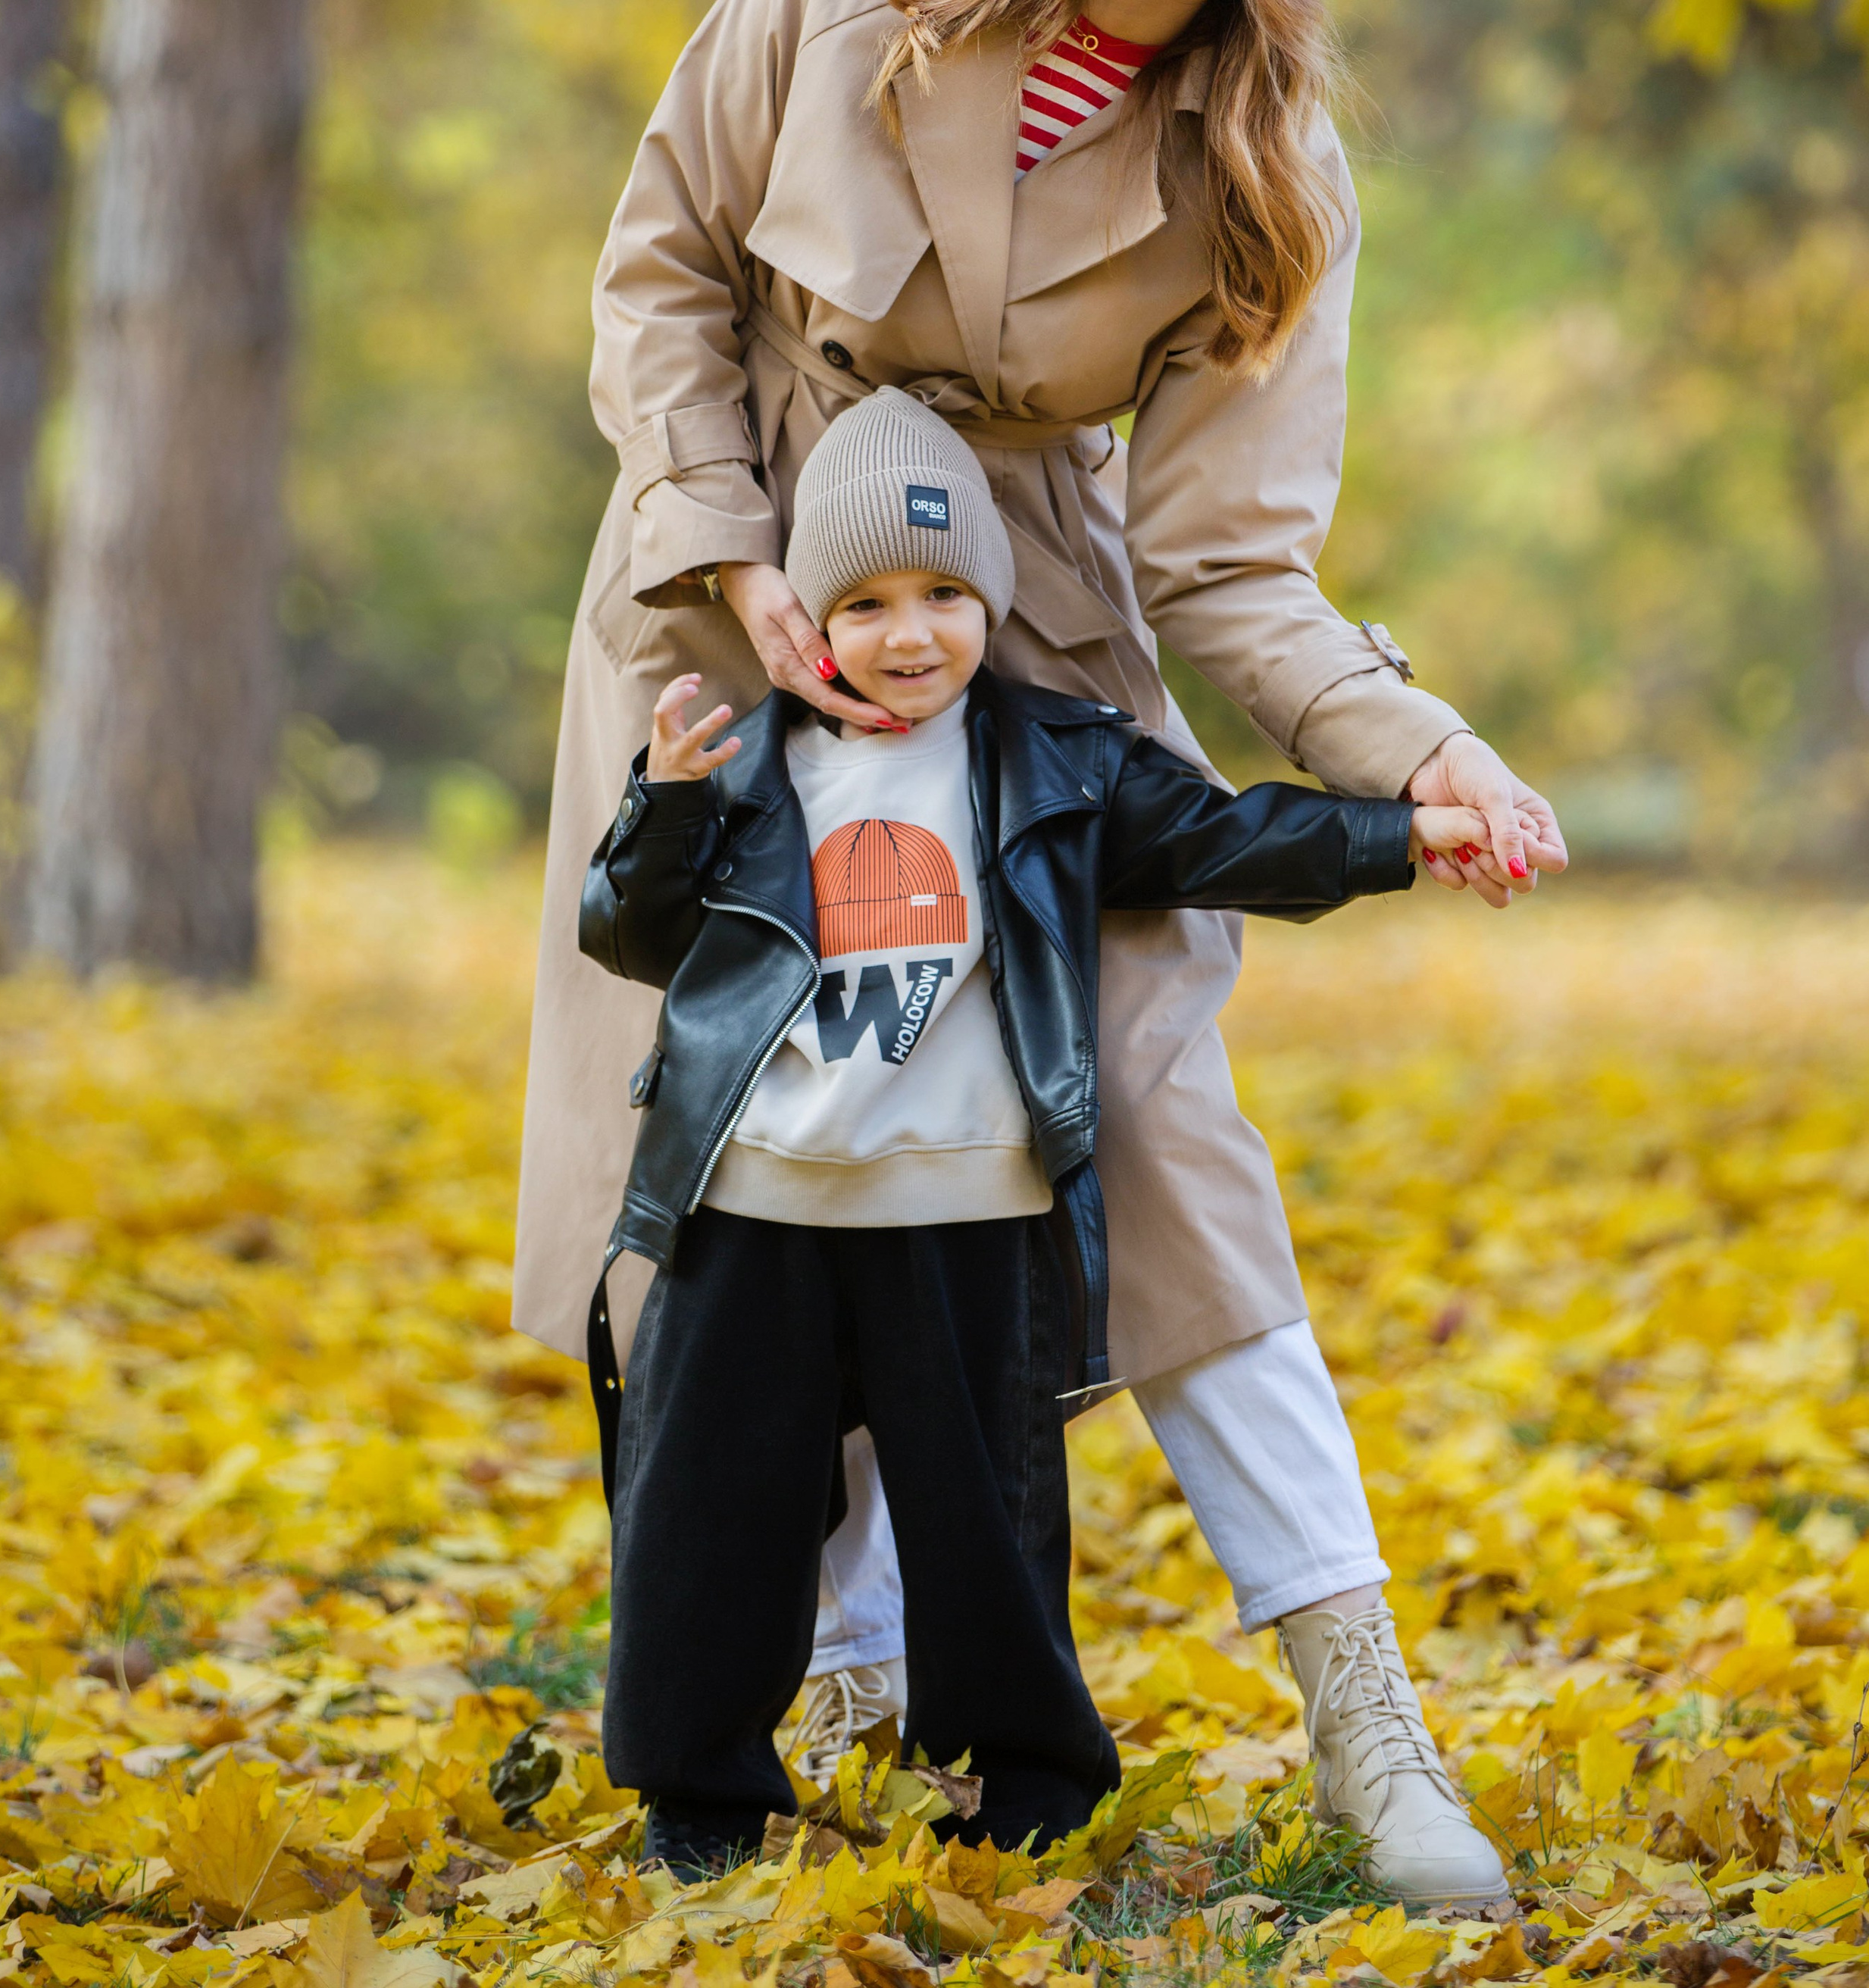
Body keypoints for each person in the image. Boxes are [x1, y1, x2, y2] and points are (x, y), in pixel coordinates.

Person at [514, 0, 1568, 1914]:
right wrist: (717, 545)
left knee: (1163, 1154)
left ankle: (1363, 1705)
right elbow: (663, 265)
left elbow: (1235, 572)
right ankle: (843, 1678)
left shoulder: (1269, 178)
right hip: (729, 641)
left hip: (1032, 684)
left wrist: (1431, 755)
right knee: (756, 1174)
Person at [581, 392, 1508, 1874]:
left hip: (966, 1211)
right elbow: (630, 937)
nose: (907, 633)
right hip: (753, 1208)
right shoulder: (751, 765)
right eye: (866, 602)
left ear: (990, 602)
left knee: (991, 1526)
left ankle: (1020, 1791)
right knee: (712, 1514)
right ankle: (701, 1805)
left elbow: (1229, 839)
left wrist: (1403, 835)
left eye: (943, 594)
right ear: (807, 614)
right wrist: (667, 812)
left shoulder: (1055, 758)